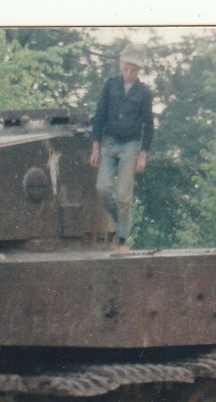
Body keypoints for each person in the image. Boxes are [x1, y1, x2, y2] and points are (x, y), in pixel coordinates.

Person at [89, 45, 155, 255]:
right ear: (121, 65)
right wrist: (95, 147)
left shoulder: (144, 93)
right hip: (109, 142)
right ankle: (121, 221)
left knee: (124, 196)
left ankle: (122, 240)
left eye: (133, 70)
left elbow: (149, 125)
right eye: (126, 68)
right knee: (102, 189)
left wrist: (143, 155)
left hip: (130, 145)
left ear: (139, 70)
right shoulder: (110, 85)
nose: (129, 73)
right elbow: (99, 115)